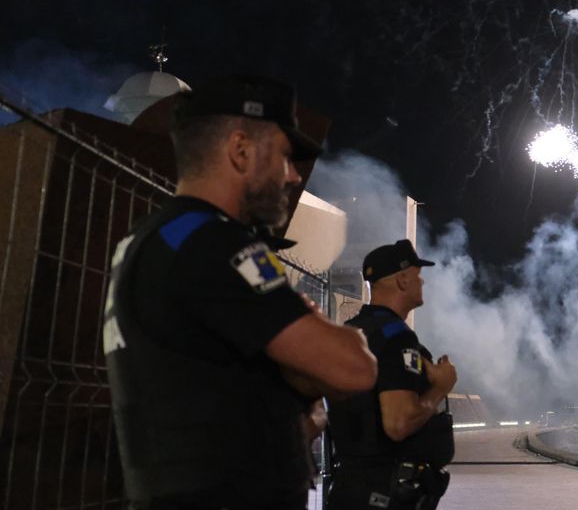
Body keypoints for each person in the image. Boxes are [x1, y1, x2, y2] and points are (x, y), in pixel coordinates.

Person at [103, 74, 378, 509]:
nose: (292, 176)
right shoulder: (213, 244)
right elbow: (354, 368)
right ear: (240, 150)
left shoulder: (158, 236)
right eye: (286, 157)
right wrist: (334, 348)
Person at [327, 240, 458, 510]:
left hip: (349, 485)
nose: (423, 283)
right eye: (418, 276)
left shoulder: (352, 332)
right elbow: (399, 423)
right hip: (384, 491)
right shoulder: (397, 339)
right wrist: (440, 389)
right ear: (402, 281)